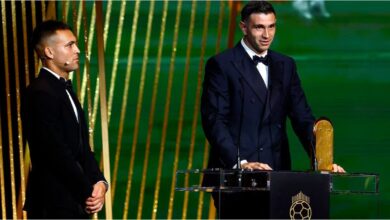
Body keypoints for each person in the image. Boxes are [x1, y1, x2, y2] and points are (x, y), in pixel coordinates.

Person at [201, 1, 344, 218]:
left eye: (272, 26)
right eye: (259, 27)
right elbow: (214, 121)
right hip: (234, 180)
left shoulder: (285, 65)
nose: (267, 34)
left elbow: (302, 117)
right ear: (244, 27)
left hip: (278, 179)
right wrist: (241, 163)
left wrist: (323, 160)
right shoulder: (221, 65)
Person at [22, 20, 108, 218]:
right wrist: (88, 192)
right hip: (53, 205)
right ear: (49, 53)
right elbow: (56, 153)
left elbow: (82, 148)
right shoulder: (40, 92)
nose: (77, 50)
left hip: (73, 202)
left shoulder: (63, 89)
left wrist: (100, 183)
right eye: (69, 45)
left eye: (76, 43)